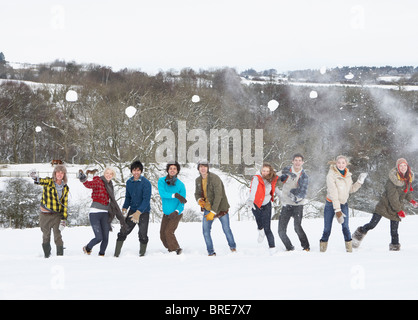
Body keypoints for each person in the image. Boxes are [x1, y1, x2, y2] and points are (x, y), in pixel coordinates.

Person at [352, 158, 417, 251]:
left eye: (405, 165)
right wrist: (399, 210)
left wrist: (412, 200)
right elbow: (392, 197)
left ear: (407, 167)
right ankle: (358, 234)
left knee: (394, 231)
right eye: (401, 166)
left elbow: (406, 192)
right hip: (384, 205)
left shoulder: (408, 178)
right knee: (372, 225)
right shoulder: (392, 180)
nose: (403, 167)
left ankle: (395, 248)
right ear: (398, 167)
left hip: (396, 207)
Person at [319, 155, 367, 252]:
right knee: (327, 229)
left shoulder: (348, 175)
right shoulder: (331, 175)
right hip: (331, 204)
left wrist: (359, 182)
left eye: (343, 163)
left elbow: (351, 189)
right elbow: (333, 193)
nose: (341, 165)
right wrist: (337, 210)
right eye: (339, 162)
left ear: (346, 164)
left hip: (343, 204)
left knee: (345, 227)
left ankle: (349, 251)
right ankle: (322, 251)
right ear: (335, 163)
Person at [79, 167, 127, 256]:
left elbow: (112, 200)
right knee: (98, 238)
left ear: (113, 176)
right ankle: (87, 248)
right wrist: (84, 180)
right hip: (95, 213)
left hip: (105, 214)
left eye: (111, 174)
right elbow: (89, 184)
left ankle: (101, 255)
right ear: (104, 174)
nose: (108, 175)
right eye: (107, 173)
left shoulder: (110, 185)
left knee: (105, 238)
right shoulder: (98, 181)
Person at [194, 160, 236, 256]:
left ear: (208, 168)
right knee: (205, 231)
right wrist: (199, 200)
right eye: (201, 166)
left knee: (226, 229)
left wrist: (213, 212)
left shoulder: (215, 178)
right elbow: (196, 193)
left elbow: (219, 196)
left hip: (221, 208)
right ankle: (211, 252)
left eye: (205, 166)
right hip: (208, 209)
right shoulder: (198, 180)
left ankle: (233, 247)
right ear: (198, 169)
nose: (203, 168)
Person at [114, 160, 152, 257]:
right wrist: (124, 208)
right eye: (134, 170)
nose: (136, 172)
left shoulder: (146, 183)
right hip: (132, 210)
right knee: (124, 230)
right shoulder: (129, 182)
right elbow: (128, 197)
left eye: (138, 170)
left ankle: (142, 255)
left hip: (144, 212)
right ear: (131, 171)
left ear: (141, 171)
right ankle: (116, 254)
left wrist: (139, 212)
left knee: (143, 234)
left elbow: (146, 200)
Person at [31, 165, 69, 258]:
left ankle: (60, 256)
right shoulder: (49, 181)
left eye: (62, 173)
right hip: (45, 215)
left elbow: (65, 204)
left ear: (64, 175)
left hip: (57, 215)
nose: (60, 174)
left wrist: (63, 219)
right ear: (55, 173)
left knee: (58, 236)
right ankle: (47, 256)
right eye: (58, 172)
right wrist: (35, 177)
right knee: (46, 235)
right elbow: (40, 181)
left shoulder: (65, 187)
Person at [277, 154, 310, 251]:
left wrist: (294, 197)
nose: (297, 162)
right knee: (281, 231)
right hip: (286, 204)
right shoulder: (287, 170)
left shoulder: (304, 176)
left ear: (302, 162)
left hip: (297, 205)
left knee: (297, 227)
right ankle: (289, 248)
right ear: (292, 161)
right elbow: (276, 177)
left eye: (300, 160)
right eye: (296, 160)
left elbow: (303, 193)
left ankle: (306, 247)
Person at [246, 163, 279, 250]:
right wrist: (250, 200)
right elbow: (253, 189)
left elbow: (275, 188)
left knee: (267, 227)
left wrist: (282, 197)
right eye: (264, 171)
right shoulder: (256, 178)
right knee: (259, 222)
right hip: (256, 203)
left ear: (270, 171)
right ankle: (261, 231)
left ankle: (272, 247)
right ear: (261, 170)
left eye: (267, 171)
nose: (265, 173)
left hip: (266, 204)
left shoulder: (272, 179)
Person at [158, 161, 187, 255]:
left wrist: (176, 211)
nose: (172, 170)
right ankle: (170, 248)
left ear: (177, 171)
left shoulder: (181, 185)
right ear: (167, 170)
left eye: (175, 168)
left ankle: (176, 249)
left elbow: (182, 203)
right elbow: (162, 194)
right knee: (162, 235)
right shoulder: (161, 181)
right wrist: (175, 195)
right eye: (170, 168)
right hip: (166, 213)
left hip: (176, 214)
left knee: (168, 232)